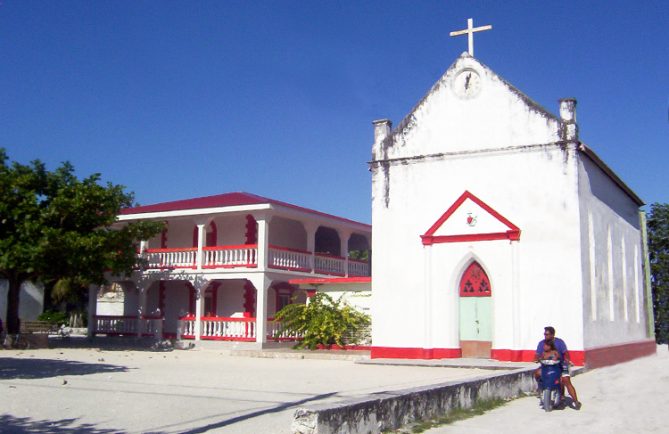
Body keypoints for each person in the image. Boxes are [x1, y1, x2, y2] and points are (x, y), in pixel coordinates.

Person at [533, 326, 582, 410]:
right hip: (546, 367)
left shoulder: (559, 343)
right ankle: (540, 389)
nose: (545, 336)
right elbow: (537, 355)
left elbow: (565, 353)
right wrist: (537, 359)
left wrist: (567, 360)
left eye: (547, 334)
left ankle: (575, 401)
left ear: (552, 335)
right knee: (537, 373)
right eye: (544, 334)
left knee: (566, 380)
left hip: (560, 366)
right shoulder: (541, 344)